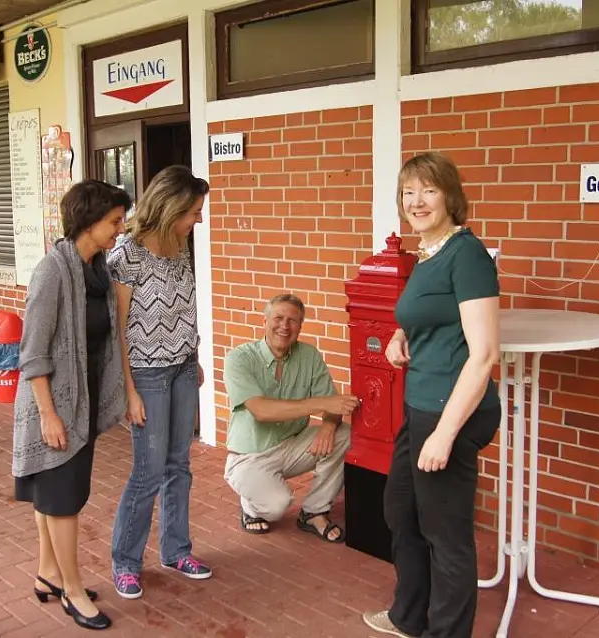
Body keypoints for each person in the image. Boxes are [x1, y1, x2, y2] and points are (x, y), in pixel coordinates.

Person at [362, 152, 502, 638]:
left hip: (451, 410)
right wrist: (403, 335)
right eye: (408, 192)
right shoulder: (428, 252)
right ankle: (409, 616)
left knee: (447, 535)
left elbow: (484, 354)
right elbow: (434, 314)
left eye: (428, 190)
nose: (416, 201)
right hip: (421, 404)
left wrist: (445, 434)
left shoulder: (467, 255)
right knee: (400, 509)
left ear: (450, 197)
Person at [12, 179, 131, 631]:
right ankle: (73, 591)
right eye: (114, 221)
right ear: (89, 221)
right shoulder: (52, 271)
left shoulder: (96, 271)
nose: (120, 229)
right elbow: (33, 353)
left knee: (54, 494)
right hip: (55, 405)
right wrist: (48, 414)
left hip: (82, 399)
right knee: (64, 499)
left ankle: (49, 573)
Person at [109, 165, 211, 599]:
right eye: (193, 212)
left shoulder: (179, 245)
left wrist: (194, 356)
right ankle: (126, 562)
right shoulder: (126, 255)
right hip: (146, 375)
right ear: (170, 209)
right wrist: (128, 391)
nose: (198, 220)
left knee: (178, 466)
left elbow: (184, 305)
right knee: (148, 472)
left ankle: (176, 551)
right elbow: (117, 329)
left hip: (183, 368)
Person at [223, 294, 360, 541]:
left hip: (292, 446)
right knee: (277, 505)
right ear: (265, 321)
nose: (284, 326)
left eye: (293, 320)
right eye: (278, 318)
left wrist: (329, 426)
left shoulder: (309, 355)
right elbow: (261, 411)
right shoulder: (239, 358)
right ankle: (250, 506)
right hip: (249, 456)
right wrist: (322, 404)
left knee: (344, 435)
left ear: (300, 326)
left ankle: (314, 512)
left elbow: (333, 405)